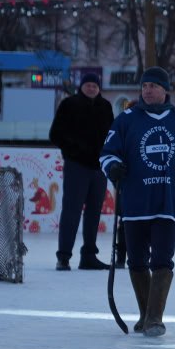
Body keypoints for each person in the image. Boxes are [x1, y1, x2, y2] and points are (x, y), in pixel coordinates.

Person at [99, 67, 175, 336]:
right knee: (136, 261)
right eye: (144, 86)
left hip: (168, 203)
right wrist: (113, 167)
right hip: (135, 202)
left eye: (154, 86)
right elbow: (107, 153)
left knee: (163, 261)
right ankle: (146, 315)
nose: (147, 90)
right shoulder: (127, 120)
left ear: (165, 90)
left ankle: (155, 319)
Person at [49, 71, 116, 271]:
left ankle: (88, 255)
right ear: (82, 86)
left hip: (99, 168)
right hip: (77, 166)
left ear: (99, 88)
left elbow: (112, 135)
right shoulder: (69, 105)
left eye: (95, 85)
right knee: (72, 211)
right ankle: (64, 256)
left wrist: (108, 155)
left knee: (94, 213)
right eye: (88, 85)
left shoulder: (105, 107)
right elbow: (55, 134)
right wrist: (74, 151)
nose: (91, 88)